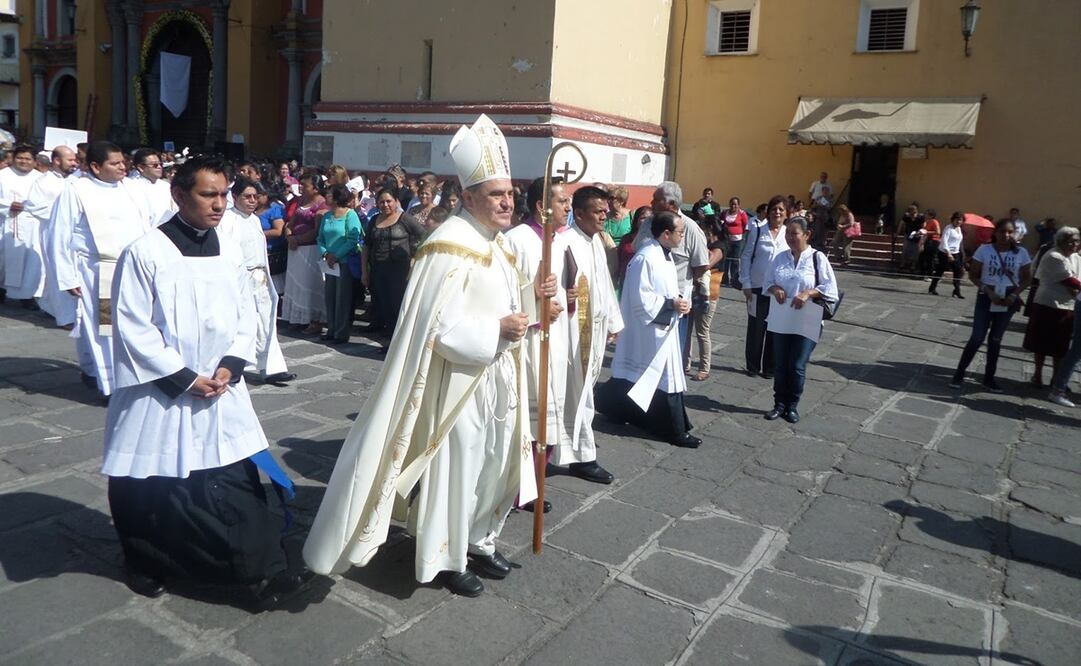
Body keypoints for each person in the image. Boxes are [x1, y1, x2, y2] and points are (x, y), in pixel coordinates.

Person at [304, 114, 537, 597]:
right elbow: (438, 329)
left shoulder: (499, 246)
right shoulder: (448, 247)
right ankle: (445, 556)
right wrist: (494, 329)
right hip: (456, 385)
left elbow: (514, 304)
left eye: (510, 193)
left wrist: (539, 298)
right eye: (496, 194)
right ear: (468, 197)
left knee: (495, 462)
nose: (507, 202)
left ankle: (480, 540)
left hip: (499, 375)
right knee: (459, 469)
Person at [102, 155, 309, 605]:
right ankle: (144, 562)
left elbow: (246, 312)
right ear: (179, 195)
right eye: (208, 194)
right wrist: (183, 378)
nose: (219, 204)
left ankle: (259, 568)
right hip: (160, 391)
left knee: (233, 479)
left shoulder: (229, 249)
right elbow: (133, 327)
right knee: (149, 485)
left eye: (223, 195)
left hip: (220, 387)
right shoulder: (146, 252)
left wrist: (232, 364)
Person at [45, 140, 154, 396]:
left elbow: (147, 223)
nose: (122, 167)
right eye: (114, 164)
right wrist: (68, 276)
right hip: (100, 272)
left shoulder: (133, 189)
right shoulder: (76, 190)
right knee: (106, 327)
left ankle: (123, 373)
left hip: (134, 269)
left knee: (137, 323)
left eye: (123, 162)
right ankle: (111, 384)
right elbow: (58, 235)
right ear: (95, 166)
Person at [598, 211, 700, 448]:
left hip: (661, 326)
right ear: (666, 233)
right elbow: (640, 299)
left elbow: (663, 288)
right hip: (648, 331)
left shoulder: (664, 255)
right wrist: (671, 304)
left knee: (639, 375)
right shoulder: (645, 258)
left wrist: (678, 300)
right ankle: (675, 430)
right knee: (660, 377)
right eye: (680, 232)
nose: (682, 236)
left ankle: (616, 410)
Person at [505, 176, 572, 496]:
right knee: (526, 422)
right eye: (562, 201)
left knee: (547, 421)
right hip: (527, 344)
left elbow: (557, 293)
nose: (568, 206)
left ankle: (532, 486)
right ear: (542, 206)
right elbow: (504, 294)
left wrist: (566, 301)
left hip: (553, 341)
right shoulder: (517, 240)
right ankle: (518, 490)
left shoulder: (559, 240)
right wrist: (536, 307)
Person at [556, 185, 625, 482]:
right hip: (573, 332)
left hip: (594, 330)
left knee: (584, 391)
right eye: (598, 211)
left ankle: (573, 451)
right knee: (577, 394)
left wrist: (613, 321)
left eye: (605, 211)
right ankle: (583, 457)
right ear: (579, 213)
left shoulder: (595, 240)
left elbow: (604, 283)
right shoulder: (564, 243)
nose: (604, 216)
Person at [762, 216, 839, 424]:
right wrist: (775, 288)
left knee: (797, 364)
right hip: (782, 317)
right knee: (780, 363)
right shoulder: (780, 258)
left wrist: (809, 292)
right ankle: (779, 404)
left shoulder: (817, 258)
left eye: (794, 233)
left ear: (807, 235)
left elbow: (831, 289)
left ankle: (792, 405)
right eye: (787, 233)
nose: (790, 237)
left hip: (808, 319)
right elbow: (767, 281)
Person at [218, 178, 295, 385]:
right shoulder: (227, 220)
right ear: (235, 197)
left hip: (261, 277)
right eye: (247, 197)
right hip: (241, 279)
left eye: (255, 196)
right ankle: (233, 367)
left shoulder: (254, 219)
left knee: (266, 323)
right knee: (241, 325)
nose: (252, 200)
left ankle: (271, 368)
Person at [633, 182, 709, 375]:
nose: (651, 203)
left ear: (672, 204)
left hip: (675, 305)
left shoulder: (690, 228)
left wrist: (679, 285)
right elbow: (636, 249)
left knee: (670, 358)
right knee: (645, 357)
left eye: (656, 199)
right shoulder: (648, 224)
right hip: (648, 301)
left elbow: (701, 265)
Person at [950, 218, 1033, 392]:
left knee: (996, 339)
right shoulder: (985, 250)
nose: (1006, 235)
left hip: (1008, 297)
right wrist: (987, 291)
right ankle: (959, 373)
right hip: (987, 295)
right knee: (977, 337)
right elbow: (973, 275)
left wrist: (1014, 295)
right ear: (996, 232)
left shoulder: (1021, 253)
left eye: (1010, 232)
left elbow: (1027, 278)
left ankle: (989, 377)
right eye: (1002, 231)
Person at [361, 186, 425, 347]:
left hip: (400, 271)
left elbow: (424, 236)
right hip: (378, 269)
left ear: (396, 201)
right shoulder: (374, 220)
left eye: (389, 201)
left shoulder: (405, 219)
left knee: (398, 306)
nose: (385, 205)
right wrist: (364, 272)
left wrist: (415, 256)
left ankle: (401, 344)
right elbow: (366, 246)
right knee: (384, 306)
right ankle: (390, 342)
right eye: (381, 202)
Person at [23, 145, 79, 325]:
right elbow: (33, 206)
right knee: (58, 271)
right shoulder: (43, 182)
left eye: (75, 159)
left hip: (75, 234)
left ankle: (59, 308)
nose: (74, 163)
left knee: (73, 270)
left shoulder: (77, 181)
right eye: (70, 160)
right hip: (53, 232)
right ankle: (64, 315)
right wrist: (61, 210)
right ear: (56, 160)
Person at [740, 195, 791, 378]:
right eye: (774, 209)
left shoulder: (789, 233)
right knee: (756, 327)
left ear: (786, 214)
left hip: (778, 290)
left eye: (781, 209)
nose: (777, 212)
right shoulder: (758, 230)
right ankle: (752, 366)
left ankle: (770, 368)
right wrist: (745, 282)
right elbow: (746, 256)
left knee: (774, 329)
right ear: (768, 212)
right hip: (757, 286)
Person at [1024, 227, 1081, 388]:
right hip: (1047, 303)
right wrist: (1076, 288)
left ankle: (1056, 377)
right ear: (1061, 241)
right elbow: (1069, 280)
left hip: (1068, 306)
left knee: (1061, 346)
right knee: (1041, 342)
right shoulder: (1053, 255)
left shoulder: (1077, 258)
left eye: (1076, 241)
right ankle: (1037, 374)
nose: (1074, 245)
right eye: (1070, 241)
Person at [281, 172, 327, 335]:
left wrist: (298, 239)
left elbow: (317, 231)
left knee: (309, 284)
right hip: (295, 249)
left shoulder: (322, 204)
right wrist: (289, 235)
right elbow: (291, 222)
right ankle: (297, 318)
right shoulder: (301, 201)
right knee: (295, 284)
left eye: (305, 185)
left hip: (310, 249)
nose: (301, 187)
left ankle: (314, 320)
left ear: (315, 188)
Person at [317, 183, 362, 344]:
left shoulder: (350, 215)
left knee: (343, 297)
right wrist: (325, 253)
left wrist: (337, 255)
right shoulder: (327, 216)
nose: (326, 196)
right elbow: (320, 238)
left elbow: (353, 239)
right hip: (330, 263)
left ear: (337, 197)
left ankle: (341, 332)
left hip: (344, 262)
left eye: (329, 194)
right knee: (330, 296)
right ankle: (331, 329)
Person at [0, 144, 44, 308]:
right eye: (20, 158)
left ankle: (27, 295)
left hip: (32, 226)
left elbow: (47, 202)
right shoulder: (3, 175)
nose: (23, 161)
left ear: (34, 161)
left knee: (30, 262)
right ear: (13, 158)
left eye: (27, 159)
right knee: (3, 259)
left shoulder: (41, 179)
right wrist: (7, 205)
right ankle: (1, 290)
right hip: (6, 223)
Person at [690, 220, 724, 381]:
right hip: (694, 291)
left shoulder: (719, 246)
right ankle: (685, 363)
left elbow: (705, 265)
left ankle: (704, 367)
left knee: (702, 331)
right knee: (687, 330)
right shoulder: (703, 245)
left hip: (709, 294)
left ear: (710, 229)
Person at [255, 184, 288, 294]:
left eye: (258, 196)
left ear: (266, 195)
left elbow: (278, 231)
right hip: (259, 251)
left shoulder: (275, 209)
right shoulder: (254, 209)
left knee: (275, 287)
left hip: (273, 253)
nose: (255, 200)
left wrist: (258, 234)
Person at [129, 148, 176, 225]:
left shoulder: (166, 186)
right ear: (141, 167)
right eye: (155, 165)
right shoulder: (132, 187)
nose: (159, 167)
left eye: (160, 164)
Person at [929, 212, 966, 297]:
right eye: (957, 220)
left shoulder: (959, 229)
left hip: (956, 253)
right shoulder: (948, 228)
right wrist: (949, 254)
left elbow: (959, 242)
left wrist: (961, 252)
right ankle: (932, 288)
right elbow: (944, 241)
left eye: (960, 220)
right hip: (945, 253)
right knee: (940, 271)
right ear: (953, 220)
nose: (959, 222)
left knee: (958, 271)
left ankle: (957, 291)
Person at [722, 197, 748, 286]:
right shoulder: (725, 212)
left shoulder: (742, 213)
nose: (733, 206)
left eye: (735, 204)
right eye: (732, 204)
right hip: (726, 240)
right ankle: (724, 279)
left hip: (738, 240)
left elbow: (746, 225)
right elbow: (721, 222)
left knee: (735, 261)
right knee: (726, 260)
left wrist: (743, 236)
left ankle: (734, 280)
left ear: (738, 205)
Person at [919, 209, 942, 275]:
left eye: (926, 214)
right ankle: (923, 273)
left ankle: (930, 274)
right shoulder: (926, 222)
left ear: (931, 215)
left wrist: (926, 232)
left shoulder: (934, 221)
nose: (925, 215)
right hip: (927, 241)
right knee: (922, 257)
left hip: (933, 241)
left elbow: (938, 232)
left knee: (930, 258)